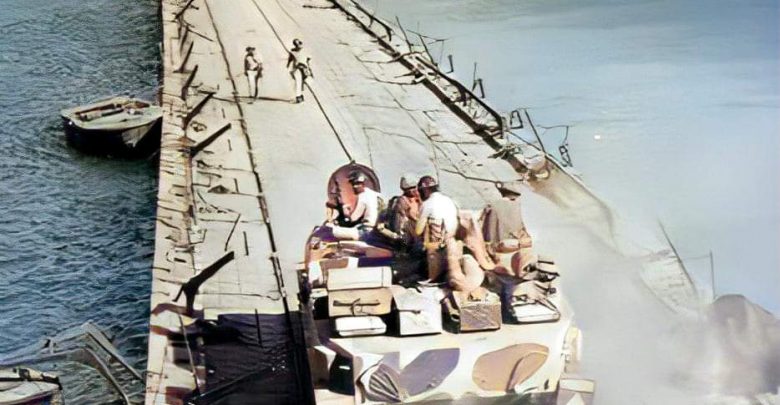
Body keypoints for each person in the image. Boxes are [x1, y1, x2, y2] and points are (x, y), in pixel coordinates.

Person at [331, 171, 383, 240]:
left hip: (365, 231)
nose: (354, 187)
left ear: (362, 184)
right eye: (353, 184)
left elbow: (354, 218)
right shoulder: (376, 195)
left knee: (332, 230)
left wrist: (346, 213)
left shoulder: (363, 196)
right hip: (375, 230)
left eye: (356, 184)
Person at [387, 173, 421, 242]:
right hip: (408, 237)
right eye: (408, 189)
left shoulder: (420, 198)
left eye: (414, 187)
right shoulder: (402, 201)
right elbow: (399, 225)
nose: (412, 190)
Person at [286, 39, 312, 103]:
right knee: (298, 82)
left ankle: (301, 94)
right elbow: (290, 59)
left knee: (307, 82)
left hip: (304, 69)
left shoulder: (305, 50)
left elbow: (308, 59)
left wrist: (309, 68)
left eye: (299, 43)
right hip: (297, 69)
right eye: (296, 44)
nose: (298, 45)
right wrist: (288, 65)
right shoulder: (292, 52)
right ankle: (298, 97)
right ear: (295, 45)